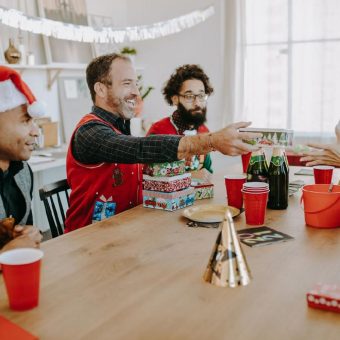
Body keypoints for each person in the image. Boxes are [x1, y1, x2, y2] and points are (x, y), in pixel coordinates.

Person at [65, 53, 261, 232]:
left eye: (135, 84)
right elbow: (139, 149)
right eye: (127, 84)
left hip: (127, 231)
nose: (136, 93)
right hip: (88, 241)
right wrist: (213, 141)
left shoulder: (119, 128)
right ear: (100, 89)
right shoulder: (89, 132)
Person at [0, 66, 44, 253]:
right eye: (26, 120)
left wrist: (27, 234)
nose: (36, 131)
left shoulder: (23, 171)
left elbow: (23, 227)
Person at [147, 64, 213, 172]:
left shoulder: (204, 131)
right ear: (175, 99)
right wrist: (190, 178)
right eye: (189, 96)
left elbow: (207, 171)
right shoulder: (158, 130)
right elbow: (149, 171)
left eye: (201, 96)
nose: (197, 103)